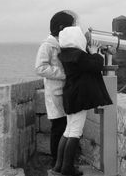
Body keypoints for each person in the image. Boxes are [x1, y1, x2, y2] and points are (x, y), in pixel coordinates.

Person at [52, 26, 113, 176]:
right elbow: (96, 65)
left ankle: (58, 167)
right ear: (76, 39)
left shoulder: (66, 54)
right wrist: (95, 52)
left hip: (70, 95)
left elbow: (87, 65)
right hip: (80, 97)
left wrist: (91, 53)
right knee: (75, 132)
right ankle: (67, 169)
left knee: (68, 130)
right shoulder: (79, 56)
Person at [35, 10, 76, 168]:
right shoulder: (48, 45)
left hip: (64, 93)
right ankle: (56, 163)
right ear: (61, 27)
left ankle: (64, 164)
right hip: (55, 94)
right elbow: (40, 68)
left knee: (66, 129)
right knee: (59, 130)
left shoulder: (60, 43)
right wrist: (64, 73)